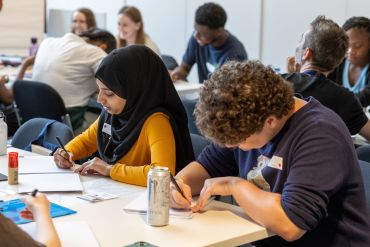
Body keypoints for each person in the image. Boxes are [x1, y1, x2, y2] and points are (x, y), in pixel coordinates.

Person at [170, 60, 370, 246]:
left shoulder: (320, 134)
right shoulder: (245, 123)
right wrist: (179, 185)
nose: (233, 147)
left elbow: (290, 225)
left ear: (271, 121)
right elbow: (205, 167)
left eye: (239, 142)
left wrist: (235, 185)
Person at [53, 45, 194, 186]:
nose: (100, 99)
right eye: (99, 90)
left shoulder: (157, 121)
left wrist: (110, 169)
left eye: (109, 93)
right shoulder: (114, 113)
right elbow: (87, 141)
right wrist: (66, 152)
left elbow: (162, 174)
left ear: (134, 91)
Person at [284, 16, 370, 142]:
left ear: (306, 53)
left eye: (301, 41)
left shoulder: (275, 84)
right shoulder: (345, 100)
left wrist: (292, 76)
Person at [16, 28, 116, 131]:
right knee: (109, 123)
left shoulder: (47, 42)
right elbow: (114, 86)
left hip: (33, 120)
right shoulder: (95, 51)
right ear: (103, 47)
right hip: (67, 121)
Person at [170, 2, 247, 83]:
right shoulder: (197, 39)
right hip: (204, 93)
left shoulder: (235, 55)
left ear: (219, 31)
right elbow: (184, 68)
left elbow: (229, 92)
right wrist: (176, 73)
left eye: (203, 34)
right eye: (195, 29)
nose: (196, 35)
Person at [329, 16, 370, 106]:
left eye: (357, 46)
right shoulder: (337, 61)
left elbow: (366, 96)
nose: (350, 51)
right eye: (347, 45)